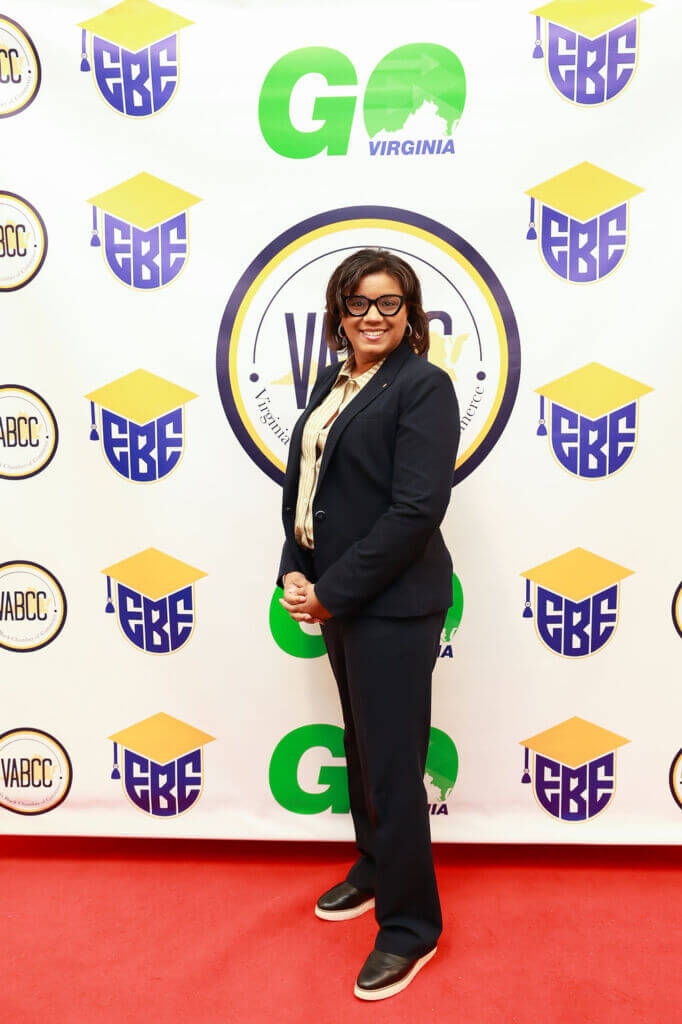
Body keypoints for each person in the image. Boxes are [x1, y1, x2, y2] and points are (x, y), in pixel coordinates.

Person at [276, 248, 460, 1001]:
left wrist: (331, 592)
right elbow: (309, 485)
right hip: (339, 596)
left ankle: (411, 927)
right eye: (358, 303)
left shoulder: (424, 387)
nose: (373, 316)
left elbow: (415, 511)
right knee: (362, 744)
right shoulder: (335, 381)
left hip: (393, 602)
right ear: (339, 314)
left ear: (410, 313)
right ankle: (377, 864)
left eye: (389, 303)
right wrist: (294, 566)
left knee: (391, 761)